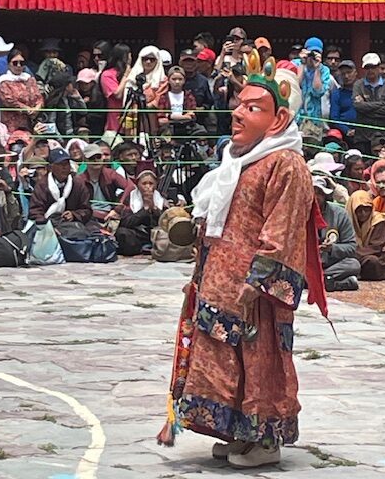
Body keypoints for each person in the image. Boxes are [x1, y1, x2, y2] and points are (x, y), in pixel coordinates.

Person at [171, 49, 327, 468]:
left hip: (253, 289)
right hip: (219, 282)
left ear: (278, 120)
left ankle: (265, 440)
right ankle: (236, 432)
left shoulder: (286, 165)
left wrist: (259, 281)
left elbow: (283, 228)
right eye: (239, 104)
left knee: (260, 362)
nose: (238, 114)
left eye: (252, 108)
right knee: (223, 361)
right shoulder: (236, 160)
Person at [314, 175, 360, 291]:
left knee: (353, 264)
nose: (315, 197)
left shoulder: (340, 214)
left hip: (332, 264)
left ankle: (319, 279)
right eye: (312, 193)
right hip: (308, 263)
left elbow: (351, 247)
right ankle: (333, 283)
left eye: (319, 193)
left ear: (325, 195)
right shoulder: (299, 214)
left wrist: (332, 248)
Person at [29, 148, 92, 229]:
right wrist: (48, 227)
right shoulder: (42, 185)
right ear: (50, 167)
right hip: (47, 226)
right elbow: (35, 211)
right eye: (60, 164)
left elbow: (86, 210)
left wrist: (74, 215)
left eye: (67, 164)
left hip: (73, 227)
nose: (64, 167)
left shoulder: (78, 184)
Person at [79, 143, 134, 223]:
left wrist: (119, 207)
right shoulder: (80, 180)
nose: (96, 160)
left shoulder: (110, 174)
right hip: (89, 217)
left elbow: (131, 186)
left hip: (111, 215)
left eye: (98, 157)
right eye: (91, 158)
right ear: (84, 160)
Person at [346, 190, 385, 280]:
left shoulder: (378, 220)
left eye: (367, 210)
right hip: (351, 254)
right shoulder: (346, 220)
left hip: (373, 254)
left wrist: (354, 254)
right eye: (359, 210)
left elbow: (376, 246)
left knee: (372, 261)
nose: (363, 214)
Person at [352, 53, 385, 157]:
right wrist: (381, 104)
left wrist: (367, 108)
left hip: (383, 136)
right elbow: (358, 106)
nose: (370, 70)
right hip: (363, 136)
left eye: (373, 67)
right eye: (367, 67)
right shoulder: (358, 85)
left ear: (379, 67)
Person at [0, 49, 43, 132]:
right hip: (12, 125)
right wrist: (27, 109)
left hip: (33, 121)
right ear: (9, 64)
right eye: (15, 63)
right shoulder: (4, 81)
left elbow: (39, 97)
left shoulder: (29, 79)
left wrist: (37, 108)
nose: (18, 66)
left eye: (21, 63)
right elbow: (8, 101)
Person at [116, 169, 165, 255]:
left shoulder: (161, 198)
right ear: (138, 185)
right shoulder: (130, 197)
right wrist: (145, 209)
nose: (148, 187)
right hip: (137, 233)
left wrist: (154, 208)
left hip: (156, 234)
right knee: (122, 233)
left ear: (156, 184)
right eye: (144, 183)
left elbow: (164, 222)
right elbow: (125, 223)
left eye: (151, 183)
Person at [297, 37, 331, 144]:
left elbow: (318, 92)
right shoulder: (296, 64)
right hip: (296, 117)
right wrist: (303, 63)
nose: (312, 56)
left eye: (316, 52)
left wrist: (317, 69)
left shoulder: (324, 70)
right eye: (311, 52)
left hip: (314, 120)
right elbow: (296, 86)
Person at [39, 72, 87, 139]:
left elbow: (83, 112)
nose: (73, 85)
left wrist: (79, 98)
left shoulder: (70, 99)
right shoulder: (54, 103)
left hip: (71, 132)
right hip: (61, 136)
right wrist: (60, 139)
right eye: (71, 83)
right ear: (66, 86)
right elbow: (51, 123)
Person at [100, 43, 132, 133]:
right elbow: (118, 94)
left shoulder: (134, 72)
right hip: (115, 124)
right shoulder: (107, 75)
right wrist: (126, 75)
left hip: (132, 122)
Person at [157, 66, 198, 134]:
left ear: (184, 80)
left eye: (180, 79)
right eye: (174, 79)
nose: (177, 82)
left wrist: (169, 117)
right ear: (168, 80)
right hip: (169, 129)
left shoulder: (189, 96)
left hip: (186, 128)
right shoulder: (163, 97)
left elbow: (191, 116)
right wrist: (183, 117)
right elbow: (161, 120)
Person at [329, 59, 357, 139]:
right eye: (343, 74)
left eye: (349, 72)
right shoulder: (336, 93)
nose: (346, 76)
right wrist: (346, 130)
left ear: (355, 72)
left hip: (363, 132)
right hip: (344, 133)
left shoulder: (363, 91)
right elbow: (334, 117)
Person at [76, 68, 106, 139]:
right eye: (81, 83)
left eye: (86, 83)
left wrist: (86, 118)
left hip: (95, 129)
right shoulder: (77, 95)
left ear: (92, 83)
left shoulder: (99, 96)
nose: (83, 86)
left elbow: (101, 114)